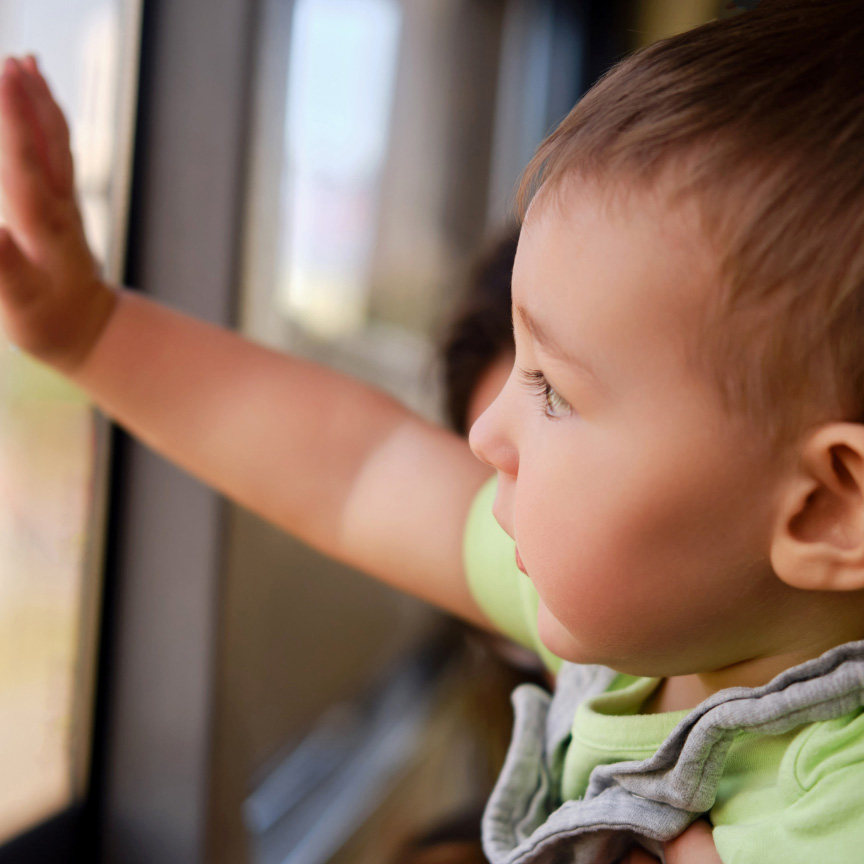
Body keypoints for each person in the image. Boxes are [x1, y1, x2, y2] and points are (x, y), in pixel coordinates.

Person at [0, 1, 863, 860]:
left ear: (826, 506)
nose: (487, 433)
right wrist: (95, 334)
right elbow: (355, 471)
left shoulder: (831, 807)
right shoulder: (656, 639)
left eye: (553, 391)